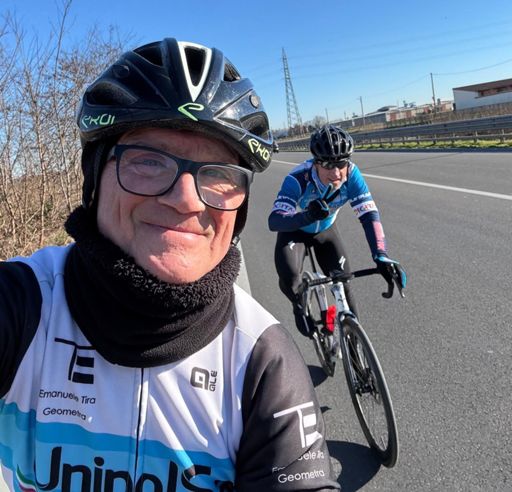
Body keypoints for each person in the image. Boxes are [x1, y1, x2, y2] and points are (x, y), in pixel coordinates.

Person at [0, 38, 340, 491]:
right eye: (147, 160)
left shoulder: (263, 363)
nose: (185, 199)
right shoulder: (23, 305)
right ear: (94, 178)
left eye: (219, 173)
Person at [268, 124, 406, 336]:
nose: (335, 173)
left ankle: (355, 342)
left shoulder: (352, 175)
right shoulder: (298, 179)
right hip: (295, 231)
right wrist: (307, 216)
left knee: (343, 282)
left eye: (341, 163)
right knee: (291, 280)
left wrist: (381, 255)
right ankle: (299, 306)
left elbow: (369, 215)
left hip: (325, 230)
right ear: (315, 163)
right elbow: (275, 221)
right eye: (327, 164)